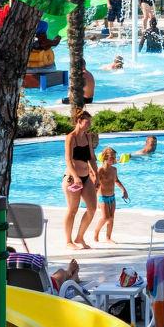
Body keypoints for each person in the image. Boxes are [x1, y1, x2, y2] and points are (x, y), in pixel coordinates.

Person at [62, 102, 97, 249]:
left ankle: (80, 237)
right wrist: (75, 177)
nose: (89, 125)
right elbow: (68, 159)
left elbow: (92, 158)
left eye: (90, 122)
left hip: (86, 177)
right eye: (86, 122)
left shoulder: (88, 137)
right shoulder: (71, 137)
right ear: (78, 121)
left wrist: (97, 175)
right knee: (72, 210)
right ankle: (69, 241)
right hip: (72, 179)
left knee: (92, 208)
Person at [93, 147, 127, 241]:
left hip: (112, 197)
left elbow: (116, 180)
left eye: (114, 157)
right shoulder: (100, 171)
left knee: (111, 218)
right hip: (102, 197)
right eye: (112, 157)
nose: (114, 159)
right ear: (105, 157)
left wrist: (124, 190)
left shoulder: (114, 169)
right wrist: (94, 199)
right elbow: (95, 185)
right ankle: (96, 232)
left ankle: (108, 237)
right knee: (105, 217)